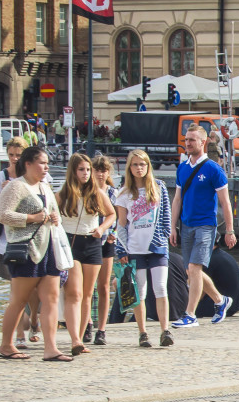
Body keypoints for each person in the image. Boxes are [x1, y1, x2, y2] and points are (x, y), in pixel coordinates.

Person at [0, 145, 70, 361]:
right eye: (41, 163)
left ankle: (51, 348)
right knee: (19, 300)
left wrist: (56, 219)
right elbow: (3, 215)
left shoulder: (45, 187)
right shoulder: (15, 187)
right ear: (27, 164)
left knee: (51, 298)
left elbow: (56, 214)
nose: (46, 167)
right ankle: (7, 345)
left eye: (47, 163)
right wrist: (31, 218)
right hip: (26, 249)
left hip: (49, 248)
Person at [169, 126, 236, 327]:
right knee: (191, 270)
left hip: (206, 225)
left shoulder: (214, 169)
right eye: (186, 139)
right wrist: (173, 226)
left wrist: (230, 230)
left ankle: (190, 314)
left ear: (203, 142)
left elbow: (225, 201)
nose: (188, 143)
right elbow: (177, 199)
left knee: (195, 267)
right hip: (187, 224)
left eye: (192, 140)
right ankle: (219, 300)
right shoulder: (182, 168)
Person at [114, 149, 175, 347]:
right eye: (135, 165)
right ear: (129, 168)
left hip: (157, 246)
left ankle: (165, 330)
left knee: (160, 287)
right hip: (135, 248)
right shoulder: (123, 194)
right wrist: (121, 250)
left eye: (143, 164)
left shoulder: (159, 187)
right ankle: (143, 332)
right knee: (140, 291)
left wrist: (164, 235)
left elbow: (166, 213)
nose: (139, 168)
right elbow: (121, 224)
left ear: (148, 166)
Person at [57, 153, 116, 356]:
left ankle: (80, 338)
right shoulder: (63, 193)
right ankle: (74, 339)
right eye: (81, 169)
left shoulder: (97, 193)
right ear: (73, 171)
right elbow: (53, 213)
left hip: (92, 242)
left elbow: (111, 214)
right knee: (75, 293)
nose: (86, 173)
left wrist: (102, 228)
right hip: (71, 242)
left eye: (88, 169)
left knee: (88, 294)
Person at [0, 136, 41, 348]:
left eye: (18, 156)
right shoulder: (0, 177)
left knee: (34, 290)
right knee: (15, 292)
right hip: (7, 243)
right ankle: (19, 334)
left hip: (32, 241)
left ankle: (35, 320)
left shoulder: (35, 178)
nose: (14, 159)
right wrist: (3, 191)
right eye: (11, 155)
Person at [85, 155, 119, 346]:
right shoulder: (87, 191)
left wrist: (113, 233)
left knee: (104, 286)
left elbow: (119, 216)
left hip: (107, 241)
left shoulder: (113, 192)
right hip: (89, 241)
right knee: (87, 288)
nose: (100, 174)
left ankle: (102, 329)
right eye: (97, 170)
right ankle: (88, 322)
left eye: (104, 170)